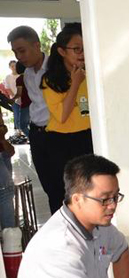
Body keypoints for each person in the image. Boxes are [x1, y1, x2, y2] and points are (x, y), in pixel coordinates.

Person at [41, 22, 94, 211]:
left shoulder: (89, 75)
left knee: (88, 192)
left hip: (86, 138)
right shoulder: (50, 80)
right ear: (62, 52)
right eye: (76, 49)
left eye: (84, 49)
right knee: (65, 194)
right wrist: (75, 83)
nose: (81, 54)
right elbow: (62, 115)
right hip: (61, 143)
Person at [7, 26, 55, 212]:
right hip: (37, 134)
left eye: (22, 50)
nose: (19, 57)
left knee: (63, 186)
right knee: (48, 186)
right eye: (15, 52)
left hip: (56, 133)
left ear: (36, 45)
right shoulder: (27, 74)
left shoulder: (55, 68)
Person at [5, 60, 21, 134]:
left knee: (23, 116)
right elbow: (7, 88)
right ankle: (18, 131)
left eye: (15, 65)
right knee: (16, 115)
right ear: (9, 67)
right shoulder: (8, 77)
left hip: (23, 99)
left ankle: (23, 130)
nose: (14, 67)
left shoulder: (21, 75)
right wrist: (14, 97)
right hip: (13, 99)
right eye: (12, 66)